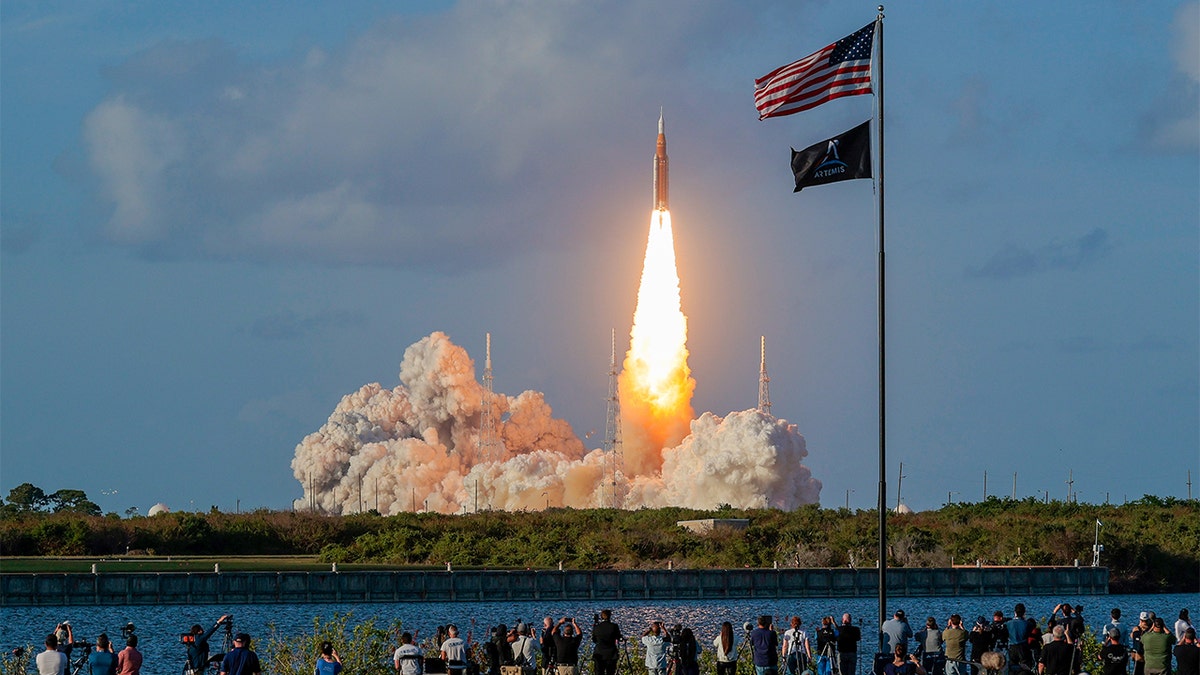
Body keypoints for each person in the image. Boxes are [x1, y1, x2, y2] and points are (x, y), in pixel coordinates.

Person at [592, 610, 622, 675]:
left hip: (599, 654)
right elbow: (618, 637)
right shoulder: (614, 626)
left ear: (601, 617)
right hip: (611, 654)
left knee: (599, 672)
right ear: (610, 616)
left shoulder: (597, 627)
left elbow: (594, 640)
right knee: (611, 672)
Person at [1005, 604, 1033, 674]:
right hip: (1023, 646)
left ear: (1015, 612)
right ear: (1024, 613)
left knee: (1012, 667)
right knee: (1025, 666)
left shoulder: (1008, 623)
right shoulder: (1028, 624)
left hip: (1012, 646)